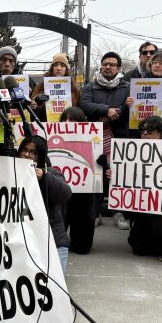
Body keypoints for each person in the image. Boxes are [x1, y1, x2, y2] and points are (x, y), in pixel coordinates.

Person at [80, 51, 131, 229]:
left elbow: (129, 110)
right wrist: (106, 110)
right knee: (96, 175)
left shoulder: (127, 87)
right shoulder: (90, 87)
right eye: (105, 64)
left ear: (119, 68)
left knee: (118, 175)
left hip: (119, 137)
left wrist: (117, 112)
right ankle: (96, 213)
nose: (108, 67)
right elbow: (84, 105)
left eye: (112, 64)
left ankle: (119, 212)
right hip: (96, 139)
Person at [126, 116, 162, 262]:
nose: (144, 133)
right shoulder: (132, 154)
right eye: (142, 130)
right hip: (142, 207)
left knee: (160, 219)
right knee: (139, 249)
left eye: (150, 130)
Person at [18, 136, 72, 272]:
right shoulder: (12, 172)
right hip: (23, 242)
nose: (27, 155)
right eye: (24, 150)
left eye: (32, 152)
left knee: (56, 283)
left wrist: (44, 178)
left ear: (40, 156)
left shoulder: (51, 173)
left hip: (53, 242)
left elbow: (66, 194)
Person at [59, 107, 99, 254]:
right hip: (61, 194)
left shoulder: (94, 141)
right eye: (65, 119)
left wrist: (101, 163)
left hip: (83, 194)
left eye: (72, 119)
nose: (67, 122)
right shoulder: (52, 140)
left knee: (82, 248)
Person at [31, 53, 81, 121]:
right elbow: (32, 106)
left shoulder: (74, 89)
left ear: (66, 69)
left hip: (68, 127)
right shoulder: (41, 86)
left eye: (62, 66)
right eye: (55, 65)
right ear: (52, 68)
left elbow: (79, 111)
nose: (58, 68)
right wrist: (36, 103)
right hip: (46, 126)